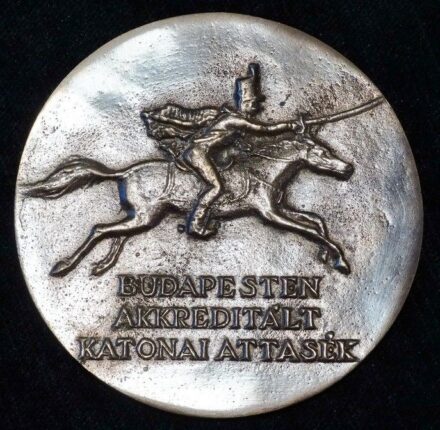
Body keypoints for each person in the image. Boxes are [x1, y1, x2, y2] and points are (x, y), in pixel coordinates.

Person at [180, 63, 303, 238]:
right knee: (216, 186)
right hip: (197, 153)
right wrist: (289, 125)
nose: (256, 108)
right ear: (245, 103)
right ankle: (195, 224)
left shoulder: (236, 121)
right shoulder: (234, 120)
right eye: (253, 104)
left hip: (208, 154)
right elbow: (265, 130)